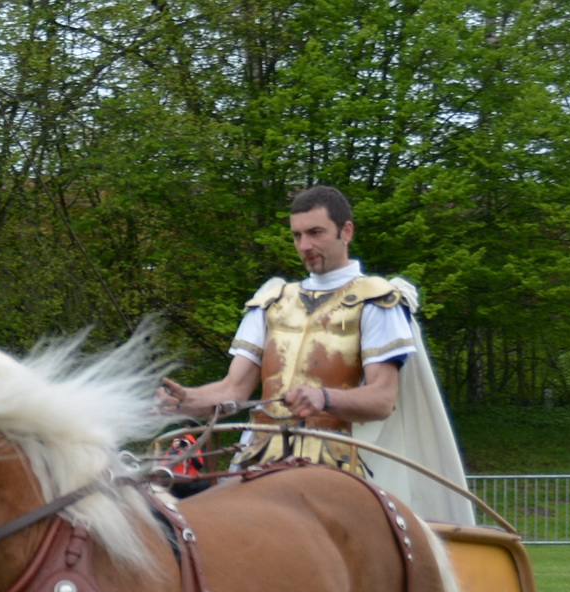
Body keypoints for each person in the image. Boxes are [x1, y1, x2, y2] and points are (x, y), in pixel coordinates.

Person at [160, 185, 416, 477]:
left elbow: (382, 399)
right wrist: (184, 401)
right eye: (297, 235)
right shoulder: (271, 302)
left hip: (331, 465)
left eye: (316, 233)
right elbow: (233, 390)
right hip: (255, 460)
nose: (304, 245)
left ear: (346, 232)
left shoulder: (376, 299)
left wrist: (324, 398)